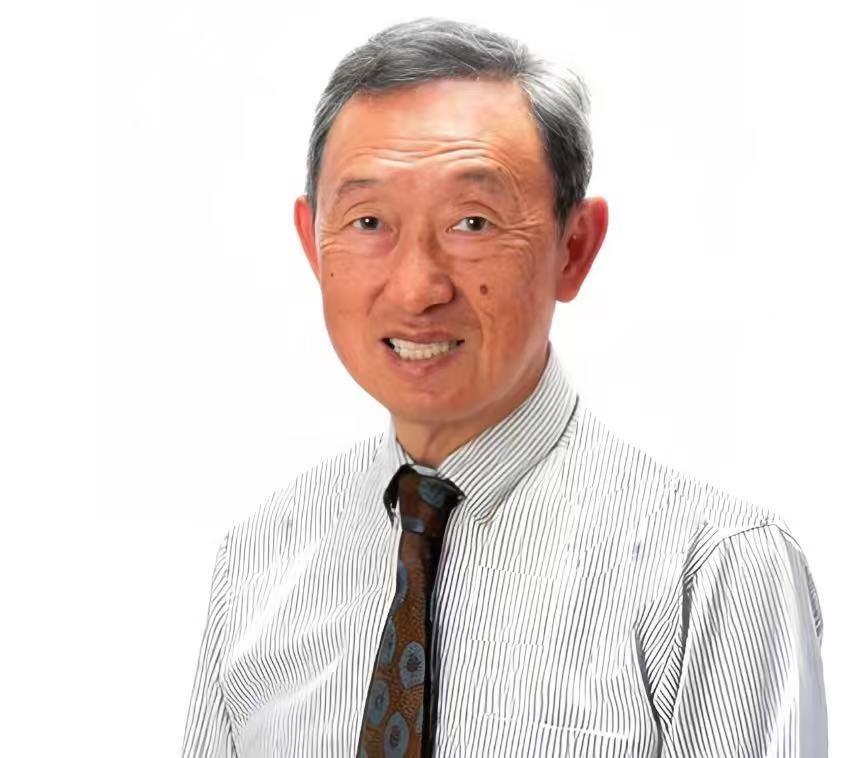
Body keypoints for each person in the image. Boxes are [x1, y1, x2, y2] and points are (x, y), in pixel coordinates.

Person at [181, 16, 827, 758]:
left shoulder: (712, 570)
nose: (417, 287)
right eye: (367, 221)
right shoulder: (260, 560)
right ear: (311, 241)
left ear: (573, 248)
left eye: (471, 221)